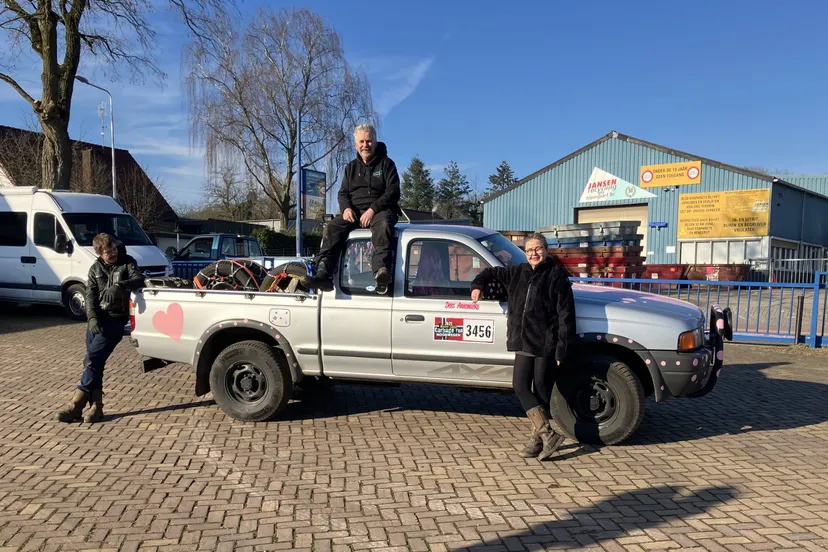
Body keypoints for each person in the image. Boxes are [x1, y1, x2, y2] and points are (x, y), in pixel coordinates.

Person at [470, 232, 576, 460]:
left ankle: (540, 439)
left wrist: (562, 348)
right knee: (519, 385)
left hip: (545, 341)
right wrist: (477, 285)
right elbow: (491, 272)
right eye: (529, 250)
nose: (533, 254)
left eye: (537, 249)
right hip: (523, 340)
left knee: (540, 388)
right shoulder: (518, 272)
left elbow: (566, 315)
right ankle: (546, 435)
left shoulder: (556, 276)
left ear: (545, 250)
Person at [57, 233, 145, 423]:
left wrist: (120, 285)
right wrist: (92, 318)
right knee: (96, 363)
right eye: (107, 252)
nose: (112, 253)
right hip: (97, 321)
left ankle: (76, 405)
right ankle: (96, 408)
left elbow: (139, 279)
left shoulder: (127, 262)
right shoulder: (94, 269)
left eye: (113, 249)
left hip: (115, 319)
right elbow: (90, 296)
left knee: (92, 358)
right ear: (99, 253)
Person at [306, 123, 401, 292]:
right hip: (354, 212)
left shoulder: (387, 164)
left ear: (375, 142)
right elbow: (343, 193)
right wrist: (346, 208)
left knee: (384, 226)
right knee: (332, 227)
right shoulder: (350, 168)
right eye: (362, 142)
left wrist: (373, 210)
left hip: (380, 211)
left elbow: (393, 192)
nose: (366, 145)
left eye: (369, 141)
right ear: (356, 144)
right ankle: (324, 274)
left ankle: (381, 273)